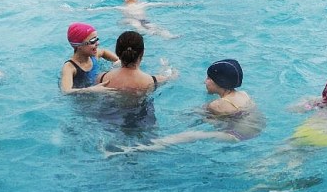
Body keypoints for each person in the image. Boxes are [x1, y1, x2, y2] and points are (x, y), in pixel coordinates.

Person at [105, 59, 265, 155]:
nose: (205, 81)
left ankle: (134, 149)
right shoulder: (244, 94)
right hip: (256, 131)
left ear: (219, 82)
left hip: (237, 136)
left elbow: (194, 116)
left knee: (190, 135)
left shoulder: (218, 104)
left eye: (208, 78)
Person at [96, 30, 177, 95]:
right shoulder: (153, 81)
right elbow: (173, 76)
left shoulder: (101, 78)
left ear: (117, 52)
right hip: (141, 111)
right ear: (142, 53)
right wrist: (166, 67)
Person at [60, 22, 120, 94]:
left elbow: (104, 52)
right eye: (93, 41)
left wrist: (117, 60)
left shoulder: (93, 55)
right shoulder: (70, 67)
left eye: (97, 39)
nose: (98, 43)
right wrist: (91, 90)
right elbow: (66, 91)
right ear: (79, 46)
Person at [108, 0, 183, 39]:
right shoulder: (121, 7)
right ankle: (148, 32)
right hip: (131, 19)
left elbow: (159, 4)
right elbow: (106, 8)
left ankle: (169, 35)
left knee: (155, 27)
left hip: (143, 20)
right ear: (125, 0)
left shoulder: (143, 4)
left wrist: (175, 4)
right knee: (136, 24)